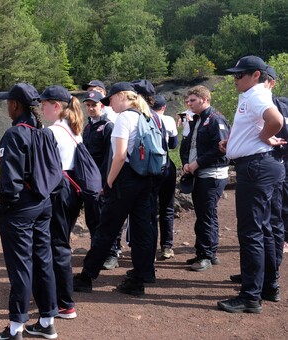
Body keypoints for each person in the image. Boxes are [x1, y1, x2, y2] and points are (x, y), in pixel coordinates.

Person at [73, 82, 156, 296]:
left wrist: (109, 181)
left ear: (121, 96)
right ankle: (139, 279)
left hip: (124, 178)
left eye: (110, 98)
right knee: (141, 229)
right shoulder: (145, 116)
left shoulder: (124, 119)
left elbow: (119, 155)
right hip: (145, 178)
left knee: (106, 228)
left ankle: (86, 276)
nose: (108, 102)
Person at [218, 55, 285, 313]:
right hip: (263, 165)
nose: (235, 79)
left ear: (256, 75)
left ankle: (250, 296)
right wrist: (235, 143)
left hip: (255, 167)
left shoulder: (256, 94)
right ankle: (268, 286)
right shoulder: (254, 94)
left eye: (239, 75)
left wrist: (263, 136)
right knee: (264, 229)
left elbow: (275, 121)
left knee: (251, 232)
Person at [0, 83, 58, 340]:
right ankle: (47, 321)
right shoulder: (45, 133)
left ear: (16, 105)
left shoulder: (14, 135)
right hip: (44, 204)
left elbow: (9, 182)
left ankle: (15, 328)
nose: (6, 106)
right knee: (43, 261)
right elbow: (54, 172)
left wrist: (7, 205)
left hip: (20, 209)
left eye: (8, 102)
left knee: (21, 267)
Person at [40, 85, 85, 320]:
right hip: (73, 187)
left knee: (57, 246)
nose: (41, 108)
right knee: (61, 242)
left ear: (56, 106)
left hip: (59, 188)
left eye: (44, 104)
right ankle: (62, 298)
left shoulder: (52, 131)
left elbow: (44, 167)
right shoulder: (74, 128)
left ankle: (65, 303)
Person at [179, 86, 231, 272]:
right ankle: (208, 252)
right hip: (200, 173)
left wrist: (196, 163)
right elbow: (189, 145)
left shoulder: (215, 119)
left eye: (192, 100)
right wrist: (187, 163)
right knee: (205, 214)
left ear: (204, 99)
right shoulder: (198, 120)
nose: (188, 103)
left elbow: (221, 149)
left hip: (211, 174)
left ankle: (206, 256)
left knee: (206, 216)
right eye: (188, 100)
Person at [80, 90, 120, 271]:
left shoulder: (108, 127)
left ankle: (111, 253)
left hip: (102, 183)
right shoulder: (88, 128)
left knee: (106, 219)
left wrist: (105, 183)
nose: (90, 108)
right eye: (87, 105)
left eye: (93, 105)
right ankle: (96, 252)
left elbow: (110, 158)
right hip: (89, 183)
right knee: (92, 219)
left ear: (101, 105)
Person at [150, 95, 179, 260]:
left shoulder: (145, 118)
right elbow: (173, 145)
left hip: (150, 169)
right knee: (167, 208)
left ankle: (150, 248)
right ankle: (166, 247)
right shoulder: (168, 120)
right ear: (164, 107)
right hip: (167, 166)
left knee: (150, 209)